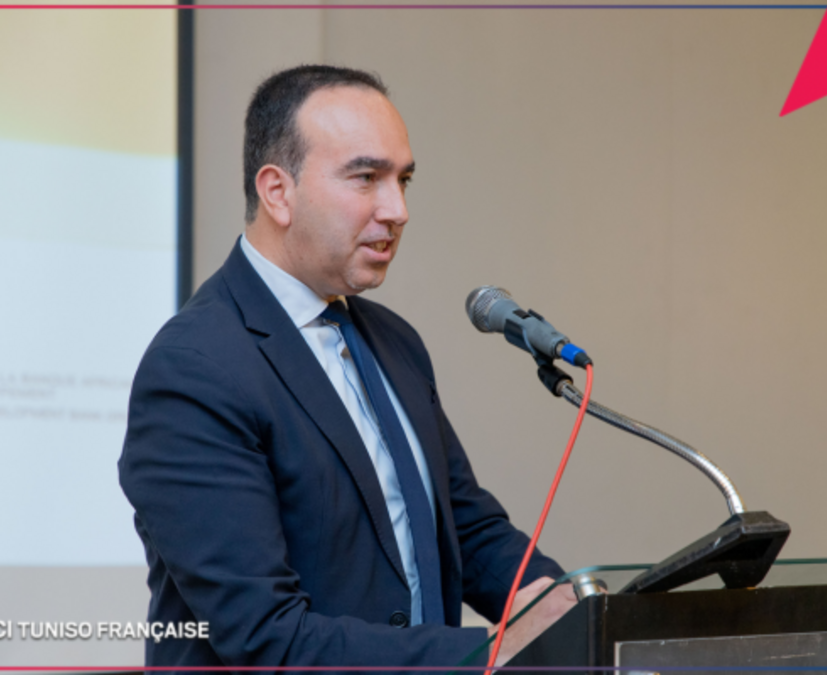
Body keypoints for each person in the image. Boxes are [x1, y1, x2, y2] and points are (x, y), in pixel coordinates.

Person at [118, 65, 576, 672]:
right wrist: (488, 653)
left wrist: (574, 612)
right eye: (366, 178)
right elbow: (264, 638)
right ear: (277, 191)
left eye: (403, 180)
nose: (398, 209)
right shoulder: (194, 370)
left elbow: (464, 527)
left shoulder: (394, 340)